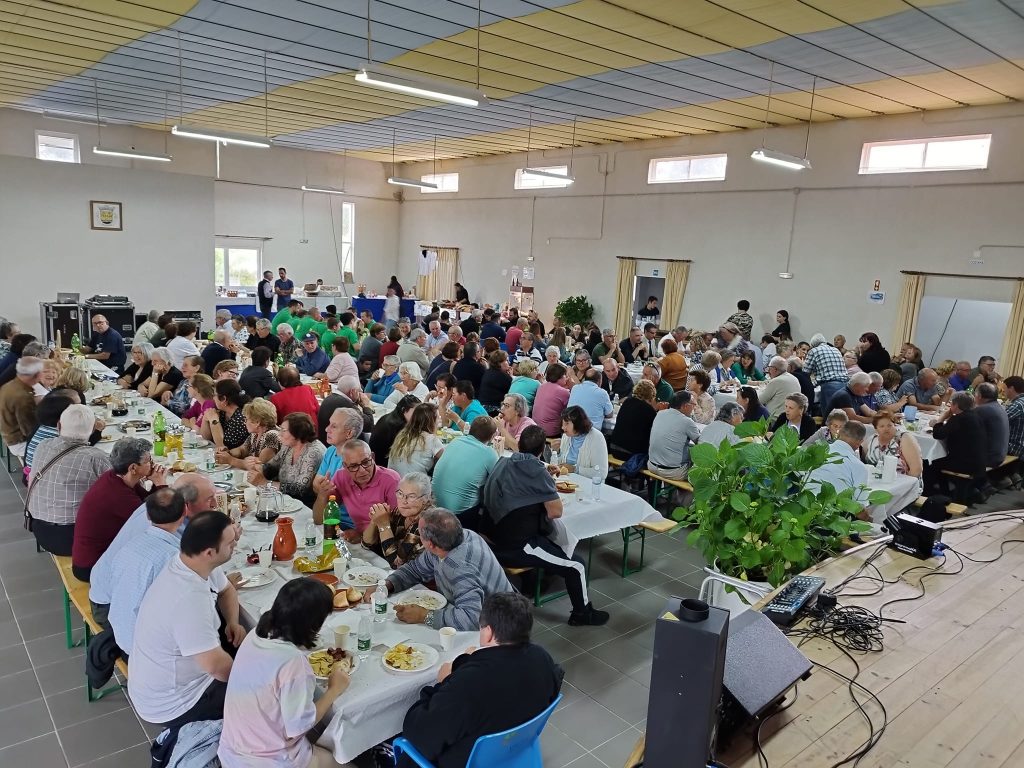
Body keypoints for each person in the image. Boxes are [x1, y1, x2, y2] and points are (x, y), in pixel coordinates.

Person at [400, 591, 561, 768]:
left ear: (488, 633)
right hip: (513, 751)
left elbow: (419, 735)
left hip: (468, 761)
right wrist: (465, 664)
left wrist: (443, 682)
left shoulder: (467, 685)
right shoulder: (543, 659)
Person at [219, 577, 351, 768]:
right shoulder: (292, 663)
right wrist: (333, 690)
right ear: (312, 624)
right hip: (270, 760)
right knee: (346, 761)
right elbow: (298, 727)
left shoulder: (255, 634)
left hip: (233, 751)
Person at [483, 426, 609, 626]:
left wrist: (543, 474)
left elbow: (519, 485)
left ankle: (533, 582)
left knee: (550, 545)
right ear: (542, 450)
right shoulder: (537, 472)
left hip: (492, 533)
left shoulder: (503, 461)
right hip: (516, 544)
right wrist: (546, 481)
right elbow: (555, 512)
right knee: (576, 566)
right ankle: (582, 614)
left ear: (520, 443)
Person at [129, 511, 243, 727]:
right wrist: (254, 680)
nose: (235, 545)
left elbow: (227, 590)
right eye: (230, 543)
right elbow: (217, 667)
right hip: (175, 703)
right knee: (267, 698)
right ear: (209, 552)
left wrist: (232, 622)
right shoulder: (187, 598)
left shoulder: (192, 562)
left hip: (176, 679)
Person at [370, 508, 514, 631]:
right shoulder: (456, 537)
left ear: (430, 544)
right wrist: (387, 585)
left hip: (500, 626)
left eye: (419, 534)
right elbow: (416, 569)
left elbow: (471, 618)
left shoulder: (458, 567)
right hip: (478, 611)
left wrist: (424, 616)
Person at [105, 487, 187, 654]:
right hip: (145, 648)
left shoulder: (130, 545)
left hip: (119, 631)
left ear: (148, 515)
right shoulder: (173, 559)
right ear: (185, 511)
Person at [71, 437, 166, 581]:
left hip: (99, 553)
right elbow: (157, 519)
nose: (152, 464)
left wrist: (155, 485)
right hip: (93, 566)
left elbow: (145, 501)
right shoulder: (117, 494)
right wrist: (161, 485)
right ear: (133, 468)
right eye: (148, 461)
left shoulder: (117, 477)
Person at [27, 405, 111, 555]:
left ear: (59, 425)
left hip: (40, 529)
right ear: (92, 430)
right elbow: (119, 488)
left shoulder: (43, 446)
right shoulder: (96, 457)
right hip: (75, 537)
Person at [314, 440, 400, 538]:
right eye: (354, 466)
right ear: (345, 466)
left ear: (372, 457)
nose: (362, 470)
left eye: (366, 462)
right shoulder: (340, 477)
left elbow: (397, 527)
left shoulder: (391, 480)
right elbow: (319, 520)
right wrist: (322, 495)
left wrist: (362, 537)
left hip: (383, 543)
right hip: (358, 537)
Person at [432, 416, 499, 523]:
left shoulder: (456, 441)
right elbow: (497, 481)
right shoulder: (489, 453)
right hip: (459, 515)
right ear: (492, 436)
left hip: (434, 506)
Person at [363, 472, 432, 567]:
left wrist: (384, 525)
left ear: (425, 499)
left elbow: (396, 564)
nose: (404, 501)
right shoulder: (400, 512)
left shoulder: (426, 523)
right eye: (400, 493)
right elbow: (367, 544)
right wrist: (375, 520)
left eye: (411, 496)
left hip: (419, 579)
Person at [926, 392, 987, 496]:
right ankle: (944, 491)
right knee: (938, 462)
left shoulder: (959, 418)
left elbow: (938, 434)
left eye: (951, 404)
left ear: (956, 405)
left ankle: (935, 492)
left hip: (966, 464)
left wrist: (941, 418)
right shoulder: (975, 416)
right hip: (980, 462)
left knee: (931, 463)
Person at [806, 422, 869, 507]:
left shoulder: (817, 451)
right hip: (831, 515)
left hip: (803, 506)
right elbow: (860, 505)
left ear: (839, 433)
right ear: (860, 442)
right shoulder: (859, 467)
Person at [647, 391, 701, 481]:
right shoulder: (686, 421)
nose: (694, 408)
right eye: (693, 404)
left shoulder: (660, 414)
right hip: (673, 472)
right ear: (685, 406)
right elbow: (700, 443)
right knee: (698, 467)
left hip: (652, 465)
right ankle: (684, 495)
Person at [216, 398, 282, 469]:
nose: (245, 422)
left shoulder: (272, 435)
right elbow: (242, 450)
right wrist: (227, 452)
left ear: (257, 422)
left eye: (247, 419)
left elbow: (261, 466)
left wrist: (231, 460)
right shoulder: (256, 433)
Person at [865, 412, 923, 483]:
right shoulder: (871, 440)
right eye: (882, 426)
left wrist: (904, 486)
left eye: (889, 425)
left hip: (904, 485)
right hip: (875, 483)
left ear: (894, 425)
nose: (886, 429)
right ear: (876, 429)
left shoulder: (904, 439)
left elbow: (916, 470)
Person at [389, 403, 445, 477]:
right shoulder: (431, 439)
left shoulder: (402, 435)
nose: (440, 419)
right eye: (438, 417)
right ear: (431, 421)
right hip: (414, 485)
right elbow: (447, 459)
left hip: (394, 482)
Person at [0, 356, 42, 452]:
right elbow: (29, 430)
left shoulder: (9, 385)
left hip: (9, 434)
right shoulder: (22, 397)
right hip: (19, 442)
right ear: (36, 375)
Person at [609, 379, 657, 459]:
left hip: (614, 447)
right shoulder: (649, 410)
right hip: (631, 453)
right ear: (651, 395)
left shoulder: (627, 402)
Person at [804, 334, 849, 415]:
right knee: (842, 416)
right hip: (844, 385)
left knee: (831, 417)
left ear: (813, 345)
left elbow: (805, 372)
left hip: (829, 387)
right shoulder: (836, 350)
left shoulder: (814, 351)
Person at [369, 395, 419, 468]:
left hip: (377, 460)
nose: (419, 416)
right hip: (383, 464)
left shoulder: (388, 417)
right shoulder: (399, 426)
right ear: (404, 410)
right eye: (416, 412)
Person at [202, 379, 251, 451]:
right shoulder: (223, 412)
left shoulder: (240, 419)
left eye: (214, 395)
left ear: (223, 399)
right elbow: (205, 438)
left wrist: (214, 422)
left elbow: (222, 447)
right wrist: (205, 419)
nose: (213, 398)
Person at [974, 382, 1010, 470]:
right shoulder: (999, 407)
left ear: (979, 396)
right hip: (1001, 453)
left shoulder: (982, 409)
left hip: (990, 458)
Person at [533, 363, 571, 438]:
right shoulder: (563, 392)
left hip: (535, 427)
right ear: (560, 377)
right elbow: (570, 409)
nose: (567, 378)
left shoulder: (542, 386)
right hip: (551, 432)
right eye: (565, 376)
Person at [760, 356, 801, 420]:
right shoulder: (794, 378)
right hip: (792, 418)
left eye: (769, 368)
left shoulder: (776, 381)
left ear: (775, 369)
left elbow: (760, 400)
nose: (768, 371)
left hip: (775, 419)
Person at [1003, 376, 1024, 458]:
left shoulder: (1018, 404)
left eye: (1004, 388)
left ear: (1011, 388)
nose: (1003, 391)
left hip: (1015, 448)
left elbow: (1000, 421)